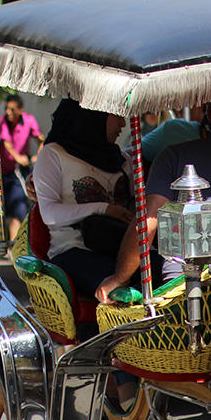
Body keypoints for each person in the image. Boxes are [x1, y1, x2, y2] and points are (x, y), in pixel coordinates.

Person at [96, 98, 211, 303]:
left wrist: (119, 278)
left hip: (185, 296)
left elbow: (146, 225)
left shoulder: (173, 157)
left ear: (209, 114)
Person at [32, 100, 133, 299]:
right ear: (94, 115)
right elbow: (49, 213)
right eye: (117, 115)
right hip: (74, 249)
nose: (123, 123)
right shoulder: (53, 155)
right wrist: (103, 209)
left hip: (122, 248)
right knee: (117, 287)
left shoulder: (124, 160)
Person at [0, 93, 43, 243]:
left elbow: (40, 140)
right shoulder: (4, 122)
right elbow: (7, 145)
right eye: (7, 109)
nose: (9, 113)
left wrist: (38, 156)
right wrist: (18, 157)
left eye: (12, 110)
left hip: (17, 173)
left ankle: (14, 246)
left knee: (18, 208)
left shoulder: (29, 121)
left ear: (20, 110)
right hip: (0, 172)